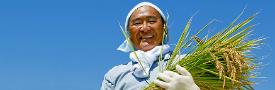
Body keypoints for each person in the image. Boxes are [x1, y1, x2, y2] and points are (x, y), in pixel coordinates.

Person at [101, 2, 200, 90]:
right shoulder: (114, 75)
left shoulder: (185, 63)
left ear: (164, 28)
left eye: (152, 21)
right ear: (128, 34)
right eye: (137, 23)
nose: (144, 28)